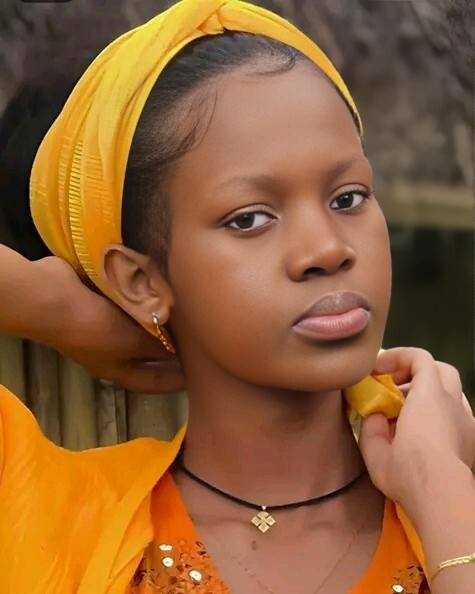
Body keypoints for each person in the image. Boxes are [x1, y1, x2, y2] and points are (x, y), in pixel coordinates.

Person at [0, 1, 474, 593]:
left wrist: (442, 491)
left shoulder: (450, 504)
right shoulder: (40, 516)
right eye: (249, 218)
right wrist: (55, 308)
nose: (328, 249)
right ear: (141, 281)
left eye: (348, 198)